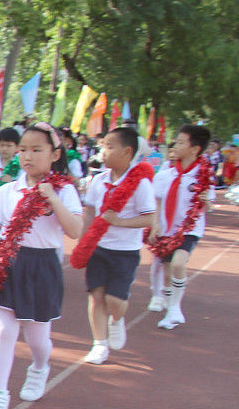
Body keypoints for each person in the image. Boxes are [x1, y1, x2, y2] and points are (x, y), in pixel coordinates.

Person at [0, 123, 83, 409]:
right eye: (24, 149)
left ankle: (39, 368)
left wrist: (53, 199)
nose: (28, 155)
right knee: (5, 331)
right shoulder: (8, 190)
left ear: (55, 154)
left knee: (38, 339)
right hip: (9, 263)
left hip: (44, 266)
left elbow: (75, 230)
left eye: (37, 150)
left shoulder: (65, 191)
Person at [81, 127, 157, 365]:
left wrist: (120, 222)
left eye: (109, 146)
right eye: (103, 145)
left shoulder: (140, 184)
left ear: (127, 152)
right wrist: (84, 240)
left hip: (125, 252)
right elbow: (89, 211)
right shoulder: (98, 180)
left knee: (115, 301)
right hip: (99, 248)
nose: (103, 151)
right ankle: (99, 344)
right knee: (96, 296)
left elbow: (149, 218)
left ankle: (117, 320)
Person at [148, 124, 214, 329]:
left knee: (178, 264)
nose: (175, 145)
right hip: (167, 230)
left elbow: (209, 206)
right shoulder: (165, 175)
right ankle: (170, 309)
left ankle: (175, 308)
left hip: (189, 229)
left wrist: (206, 201)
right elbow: (156, 203)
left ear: (195, 149)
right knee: (167, 272)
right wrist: (154, 225)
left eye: (181, 142)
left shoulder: (202, 176)